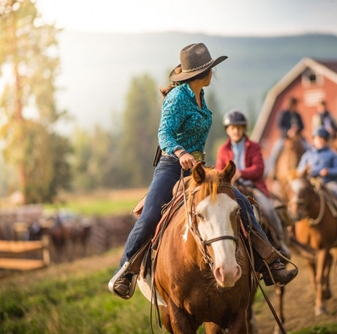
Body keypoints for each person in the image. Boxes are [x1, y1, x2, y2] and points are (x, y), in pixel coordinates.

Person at [108, 43, 297, 300]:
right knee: (151, 214)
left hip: (199, 167)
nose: (213, 74)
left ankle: (270, 263)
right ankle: (125, 272)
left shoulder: (200, 95)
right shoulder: (177, 97)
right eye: (210, 69)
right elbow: (164, 133)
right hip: (172, 167)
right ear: (202, 73)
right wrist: (180, 152)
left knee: (240, 203)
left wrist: (194, 158)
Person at [216, 109, 291, 259]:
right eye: (232, 128)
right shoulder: (223, 150)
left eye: (239, 128)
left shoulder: (254, 146)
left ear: (244, 129)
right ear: (228, 130)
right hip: (232, 187)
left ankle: (281, 243)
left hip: (253, 186)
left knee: (269, 209)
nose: (236, 131)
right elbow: (219, 170)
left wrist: (242, 173)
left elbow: (259, 169)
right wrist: (228, 177)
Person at [297, 127, 337, 239]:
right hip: (311, 185)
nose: (320, 140)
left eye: (322, 138)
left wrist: (329, 172)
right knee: (297, 199)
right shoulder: (307, 154)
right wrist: (304, 171)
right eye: (317, 138)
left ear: (326, 140)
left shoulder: (332, 154)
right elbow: (299, 170)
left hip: (329, 184)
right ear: (314, 140)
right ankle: (292, 226)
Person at [266, 97, 308, 178]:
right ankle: (272, 170)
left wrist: (297, 129)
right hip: (285, 138)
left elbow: (302, 126)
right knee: (275, 150)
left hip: (298, 138)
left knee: (308, 148)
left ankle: (309, 168)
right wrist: (288, 131)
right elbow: (280, 126)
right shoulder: (283, 114)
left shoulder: (297, 115)